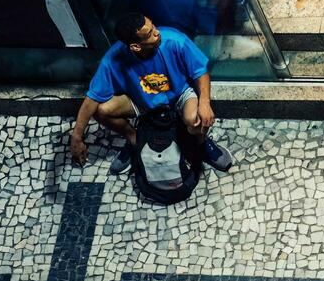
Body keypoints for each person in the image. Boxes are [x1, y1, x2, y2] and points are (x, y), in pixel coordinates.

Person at [68, 12, 234, 174]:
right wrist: (76, 137)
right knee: (102, 110)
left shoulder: (175, 41)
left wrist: (204, 103)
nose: (157, 32)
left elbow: (201, 72)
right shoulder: (113, 60)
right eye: (149, 33)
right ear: (135, 46)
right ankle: (134, 139)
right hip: (142, 100)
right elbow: (92, 99)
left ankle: (202, 144)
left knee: (194, 119)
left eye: (153, 25)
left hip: (180, 94)